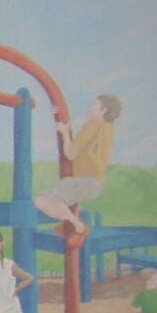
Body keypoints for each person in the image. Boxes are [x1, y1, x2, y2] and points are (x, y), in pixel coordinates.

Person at [33, 93, 122, 237]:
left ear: (103, 110)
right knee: (63, 200)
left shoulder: (94, 124)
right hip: (95, 182)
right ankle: (70, 222)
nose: (89, 108)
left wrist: (64, 133)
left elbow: (71, 153)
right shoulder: (108, 128)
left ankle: (76, 224)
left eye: (94, 105)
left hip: (84, 180)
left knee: (41, 199)